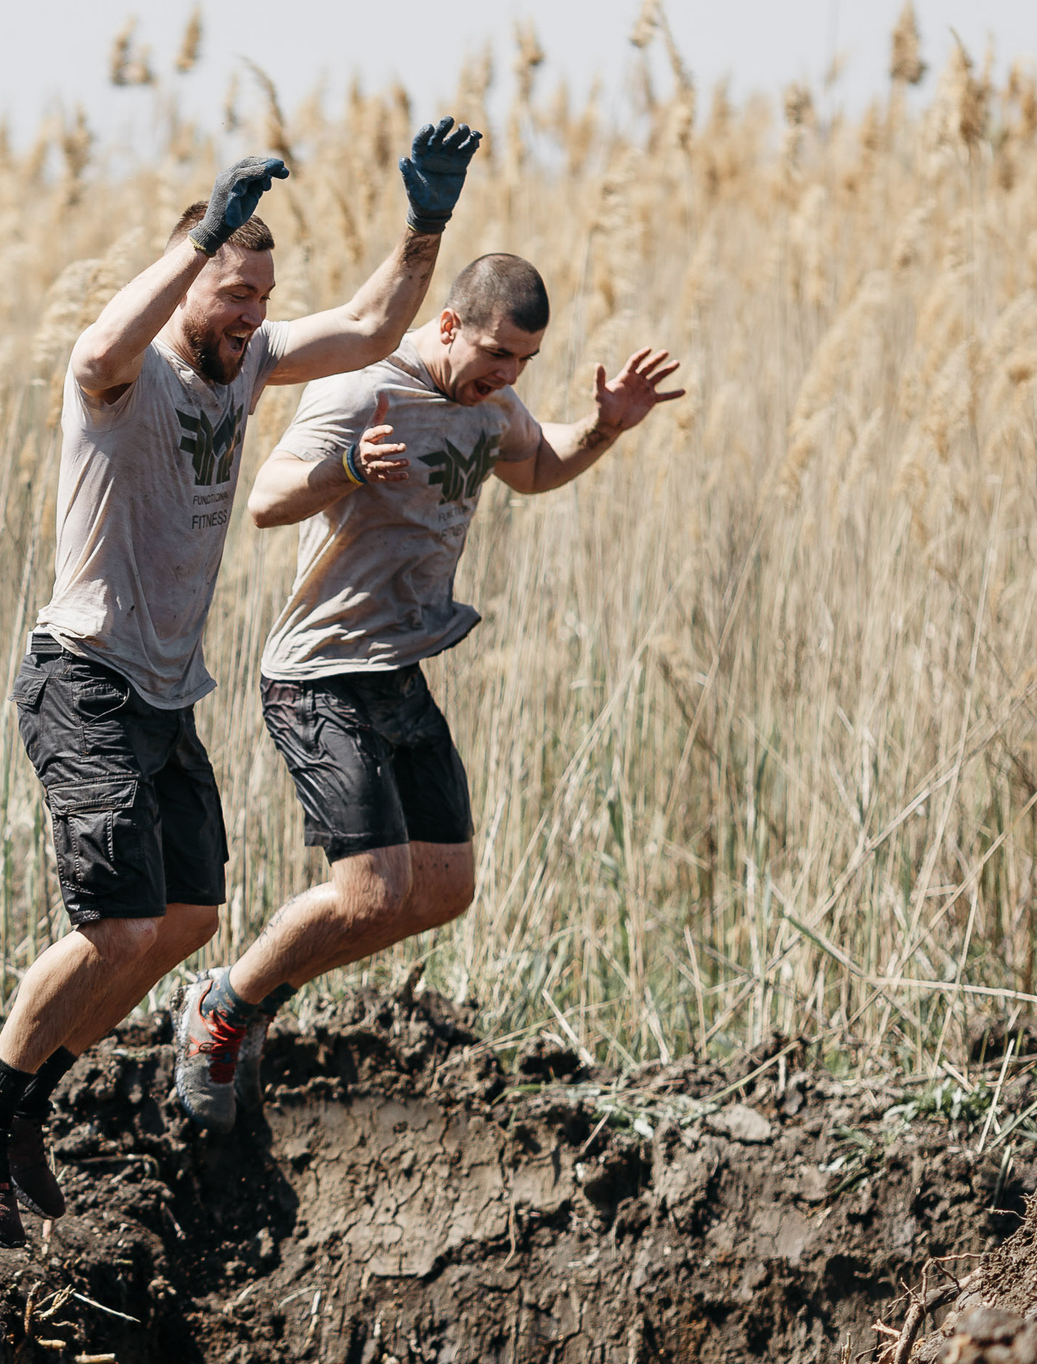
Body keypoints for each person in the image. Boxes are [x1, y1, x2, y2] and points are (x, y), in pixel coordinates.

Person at [0, 120, 487, 1249]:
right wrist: (199, 245)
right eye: (233, 288)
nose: (249, 312)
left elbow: (375, 324)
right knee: (117, 917)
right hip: (83, 674)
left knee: (184, 919)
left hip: (166, 692)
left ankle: (23, 1099)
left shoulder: (255, 362)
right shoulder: (125, 380)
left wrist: (425, 227)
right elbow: (90, 350)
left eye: (259, 293)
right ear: (187, 280)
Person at [188, 256, 681, 1119]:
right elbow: (264, 501)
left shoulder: (488, 402)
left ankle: (257, 989)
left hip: (398, 671)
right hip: (321, 674)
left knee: (446, 891)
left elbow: (533, 468)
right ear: (447, 325)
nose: (509, 374)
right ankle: (223, 1007)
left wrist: (604, 428)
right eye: (497, 353)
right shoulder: (362, 388)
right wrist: (346, 465)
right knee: (371, 892)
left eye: (525, 361)